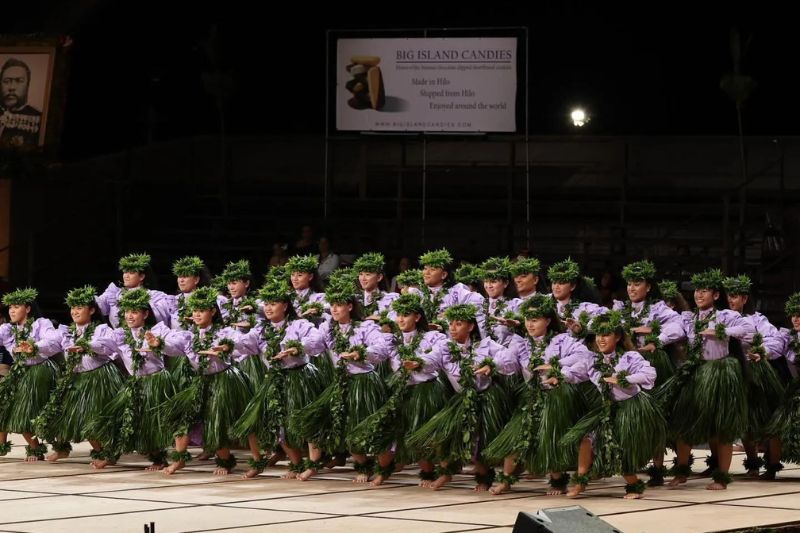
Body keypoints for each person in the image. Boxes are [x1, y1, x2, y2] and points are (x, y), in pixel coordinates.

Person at [662, 269, 755, 491]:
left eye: (704, 291)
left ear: (715, 295)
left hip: (720, 373)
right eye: (696, 290)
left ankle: (721, 478)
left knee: (721, 427)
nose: (698, 294)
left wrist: (721, 331)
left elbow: (748, 329)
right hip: (695, 372)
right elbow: (674, 330)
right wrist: (657, 339)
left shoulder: (725, 316)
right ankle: (682, 472)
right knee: (685, 423)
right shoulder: (689, 318)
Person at [561, 311, 666, 500]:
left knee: (620, 447)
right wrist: (557, 376)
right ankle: (580, 482)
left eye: (606, 334)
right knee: (586, 440)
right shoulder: (592, 360)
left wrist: (623, 379)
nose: (601, 339)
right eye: (598, 335)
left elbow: (649, 374)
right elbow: (574, 374)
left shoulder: (629, 358)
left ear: (617, 337)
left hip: (631, 407)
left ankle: (634, 485)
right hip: (608, 407)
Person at [37, 286, 124, 467]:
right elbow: (51, 344)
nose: (75, 312)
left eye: (80, 307)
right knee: (61, 413)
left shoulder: (101, 329)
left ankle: (106, 453)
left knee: (93, 418)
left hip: (98, 378)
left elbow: (107, 345)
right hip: (76, 378)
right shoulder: (67, 331)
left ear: (91, 310)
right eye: (73, 308)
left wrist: (87, 345)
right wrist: (34, 347)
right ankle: (62, 448)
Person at [723, 274, 787, 479]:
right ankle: (752, 465)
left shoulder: (757, 320)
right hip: (733, 373)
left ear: (744, 299)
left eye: (735, 296)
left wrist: (762, 351)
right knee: (745, 420)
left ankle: (773, 465)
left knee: (766, 419)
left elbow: (776, 341)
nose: (731, 300)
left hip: (756, 372)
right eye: (729, 296)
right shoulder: (721, 318)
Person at [0, 288, 61, 461]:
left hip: (40, 371)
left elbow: (53, 341)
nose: (11, 310)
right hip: (20, 373)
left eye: (16, 306)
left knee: (31, 412)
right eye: (10, 307)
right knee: (8, 405)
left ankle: (57, 446)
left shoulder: (41, 324)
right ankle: (33, 448)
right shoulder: (8, 329)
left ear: (27, 309)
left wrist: (34, 345)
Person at [0, 58, 42, 148]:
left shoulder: (39, 118)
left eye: (19, 81)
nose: (12, 87)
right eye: (6, 81)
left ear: (28, 85)